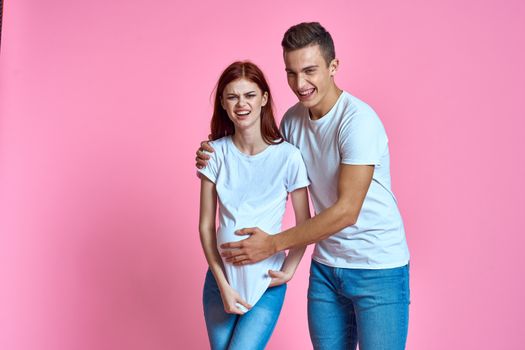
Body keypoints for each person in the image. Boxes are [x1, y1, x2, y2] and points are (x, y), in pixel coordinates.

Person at [196, 22, 411, 350]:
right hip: (326, 268)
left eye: (310, 71)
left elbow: (346, 212)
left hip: (377, 268)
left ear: (333, 66)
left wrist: (273, 246)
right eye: (291, 73)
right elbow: (261, 164)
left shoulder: (358, 122)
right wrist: (211, 153)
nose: (300, 83)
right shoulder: (293, 121)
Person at [197, 60, 311, 350]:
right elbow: (206, 225)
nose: (241, 104)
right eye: (232, 96)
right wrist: (222, 285)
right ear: (223, 103)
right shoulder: (215, 154)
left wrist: (290, 268)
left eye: (249, 95)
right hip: (220, 280)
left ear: (264, 99)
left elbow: (305, 222)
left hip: (265, 284)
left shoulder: (288, 157)